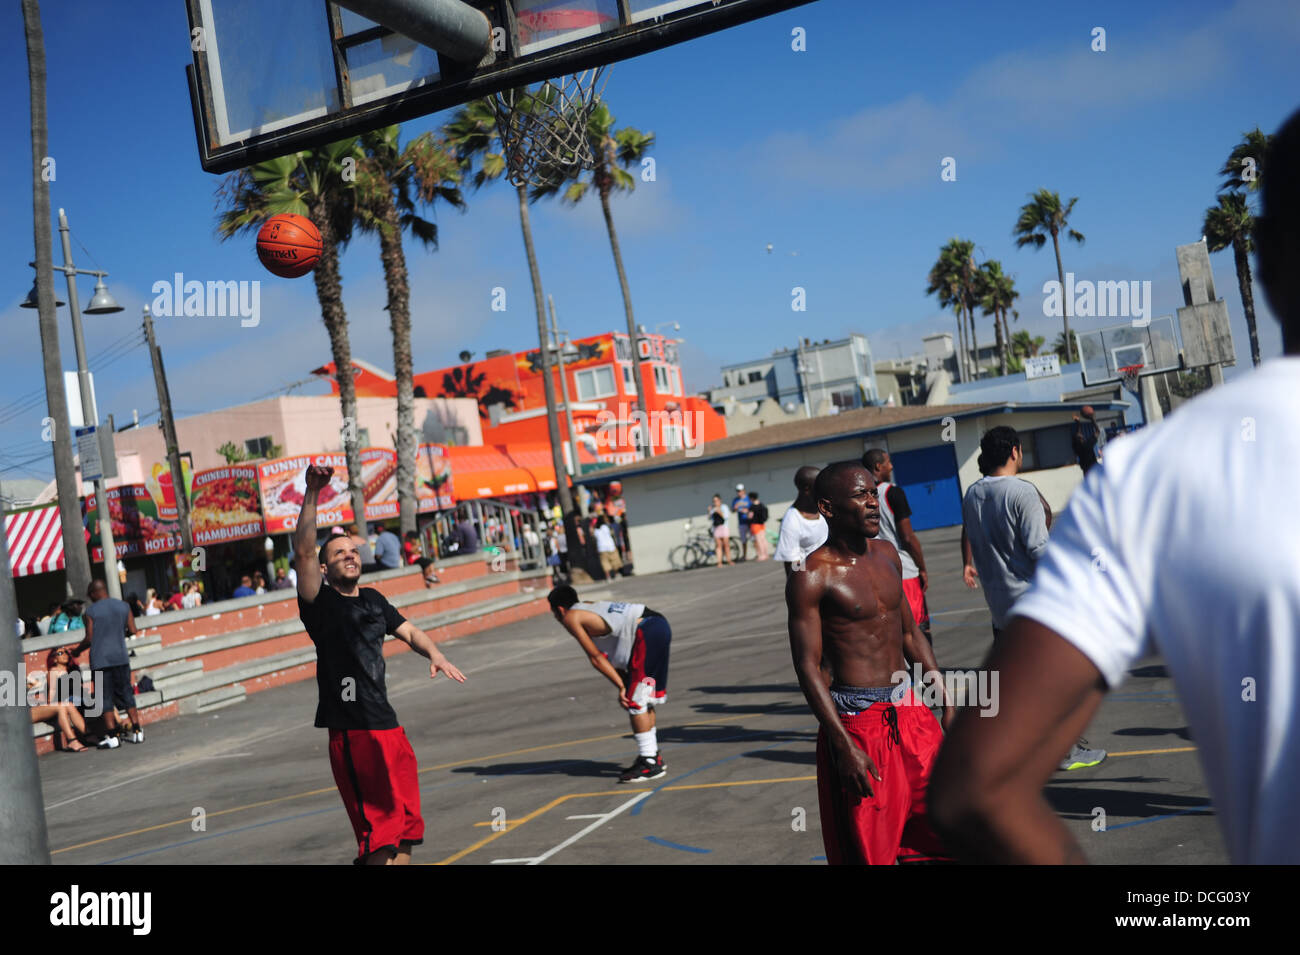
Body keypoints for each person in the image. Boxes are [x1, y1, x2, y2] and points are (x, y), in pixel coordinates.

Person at [930, 110, 1300, 865]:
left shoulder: (1162, 472)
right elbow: (1039, 548)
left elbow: (973, 786)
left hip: (1017, 618)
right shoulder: (1036, 494)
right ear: (1015, 453)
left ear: (1264, 260)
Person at [294, 465, 466, 865]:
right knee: (378, 835)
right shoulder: (318, 602)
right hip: (355, 732)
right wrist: (312, 492)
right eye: (339, 554)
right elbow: (303, 551)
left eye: (353, 551)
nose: (349, 556)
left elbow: (409, 632)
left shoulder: (373, 599)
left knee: (405, 828)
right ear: (324, 568)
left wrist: (435, 654)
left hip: (388, 725)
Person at [785, 461, 954, 865]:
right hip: (861, 724)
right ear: (828, 507)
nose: (873, 503)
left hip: (912, 712)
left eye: (873, 494)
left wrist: (944, 702)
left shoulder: (888, 554)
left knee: (943, 834)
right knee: (871, 852)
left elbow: (911, 636)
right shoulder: (811, 576)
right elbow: (807, 667)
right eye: (860, 495)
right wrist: (843, 746)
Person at [959, 425, 1105, 772]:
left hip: (1000, 606)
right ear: (1014, 451)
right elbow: (1039, 548)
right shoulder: (1022, 492)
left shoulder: (972, 494)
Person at [547, 585, 673, 783]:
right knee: (643, 699)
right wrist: (624, 682)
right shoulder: (588, 606)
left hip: (646, 632)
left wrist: (622, 686)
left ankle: (650, 763)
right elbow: (613, 647)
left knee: (635, 701)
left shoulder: (571, 617)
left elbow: (596, 657)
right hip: (657, 625)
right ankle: (652, 755)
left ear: (559, 610)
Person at [863, 450, 932, 643]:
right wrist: (922, 568)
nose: (891, 466)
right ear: (878, 467)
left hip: (874, 572)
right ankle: (922, 673)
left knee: (892, 633)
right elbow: (908, 537)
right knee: (918, 631)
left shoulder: (859, 498)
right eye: (888, 462)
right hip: (903, 570)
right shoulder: (891, 492)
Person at [68, 579, 144, 748]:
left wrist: (77, 651)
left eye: (90, 595)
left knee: (104, 698)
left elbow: (89, 638)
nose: (89, 598)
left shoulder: (91, 611)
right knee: (126, 693)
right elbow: (133, 630)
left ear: (95, 593)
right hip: (121, 657)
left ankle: (113, 736)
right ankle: (138, 730)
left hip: (101, 660)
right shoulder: (124, 606)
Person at [774, 466, 829, 577]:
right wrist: (800, 589)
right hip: (813, 582)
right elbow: (793, 565)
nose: (825, 489)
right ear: (807, 489)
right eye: (819, 486)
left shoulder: (824, 509)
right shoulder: (792, 522)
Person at [1070, 405, 1104, 475]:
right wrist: (1092, 418)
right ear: (1081, 438)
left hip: (1086, 472)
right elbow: (1098, 431)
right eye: (1081, 435)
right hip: (1094, 470)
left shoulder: (1077, 448)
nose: (1081, 434)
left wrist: (1078, 423)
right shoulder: (1087, 445)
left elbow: (1077, 434)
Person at [707, 494, 733, 567]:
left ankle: (729, 560)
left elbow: (726, 517)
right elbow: (710, 518)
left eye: (716, 500)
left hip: (724, 527)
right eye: (714, 501)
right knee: (718, 545)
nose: (715, 502)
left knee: (726, 544)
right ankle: (719, 562)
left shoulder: (724, 507)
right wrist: (709, 511)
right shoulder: (713, 509)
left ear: (720, 500)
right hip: (716, 528)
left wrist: (719, 511)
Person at [732, 483, 753, 560]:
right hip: (741, 522)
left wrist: (747, 511)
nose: (739, 492)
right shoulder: (735, 500)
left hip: (750, 521)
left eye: (740, 491)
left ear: (743, 490)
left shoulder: (748, 498)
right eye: (737, 491)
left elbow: (753, 508)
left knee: (753, 538)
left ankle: (758, 553)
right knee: (743, 540)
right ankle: (744, 555)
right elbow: (733, 510)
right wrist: (735, 508)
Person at [748, 491, 771, 561]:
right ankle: (766, 554)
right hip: (762, 524)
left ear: (751, 498)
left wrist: (747, 514)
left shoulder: (752, 506)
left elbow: (750, 516)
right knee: (763, 539)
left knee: (758, 541)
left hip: (755, 525)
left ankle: (761, 555)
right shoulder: (761, 505)